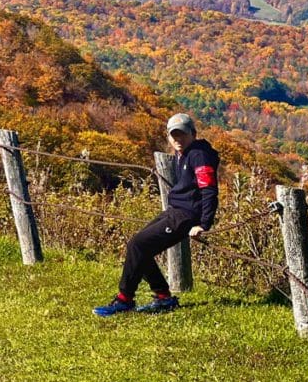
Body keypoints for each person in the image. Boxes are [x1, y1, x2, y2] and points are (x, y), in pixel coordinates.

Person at [93, 113, 220, 316]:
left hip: (186, 215)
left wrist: (204, 224)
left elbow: (209, 190)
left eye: (182, 135)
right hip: (176, 210)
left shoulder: (199, 155)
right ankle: (163, 298)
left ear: (193, 134)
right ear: (169, 136)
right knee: (138, 247)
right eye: (173, 135)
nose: (177, 139)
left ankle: (125, 300)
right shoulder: (184, 152)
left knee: (138, 245)